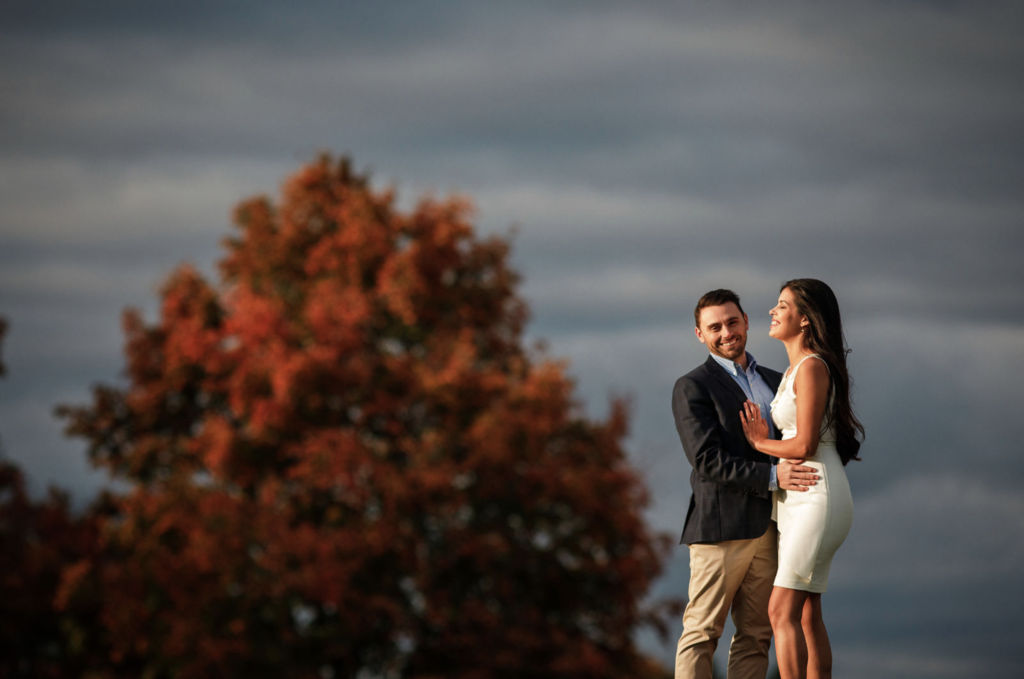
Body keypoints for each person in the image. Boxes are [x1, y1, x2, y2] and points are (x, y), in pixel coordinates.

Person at [673, 289, 821, 679]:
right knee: (702, 633)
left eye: (732, 322)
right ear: (699, 334)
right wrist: (773, 476)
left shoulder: (780, 379)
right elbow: (706, 460)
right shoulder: (693, 386)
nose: (726, 332)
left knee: (757, 635)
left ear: (746, 322)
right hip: (719, 529)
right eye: (715, 327)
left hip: (771, 527)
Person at [739, 279, 863, 679]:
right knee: (808, 615)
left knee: (780, 610)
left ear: (805, 319)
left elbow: (805, 443)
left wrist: (760, 443)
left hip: (816, 497)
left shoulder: (811, 368)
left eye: (782, 306)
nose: (772, 312)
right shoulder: (796, 369)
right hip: (799, 501)